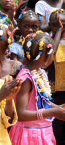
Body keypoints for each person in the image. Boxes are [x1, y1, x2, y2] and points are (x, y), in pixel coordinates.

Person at [9, 32, 65, 145]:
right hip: (28, 136)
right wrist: (53, 112)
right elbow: (20, 114)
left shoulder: (40, 73)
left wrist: (58, 108)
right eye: (53, 54)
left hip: (43, 132)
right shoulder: (26, 79)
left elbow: (42, 101)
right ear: (45, 57)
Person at [49, 9, 65, 144]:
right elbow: (50, 55)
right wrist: (58, 32)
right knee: (56, 130)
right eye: (56, 24)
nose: (60, 27)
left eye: (63, 24)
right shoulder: (47, 40)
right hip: (55, 94)